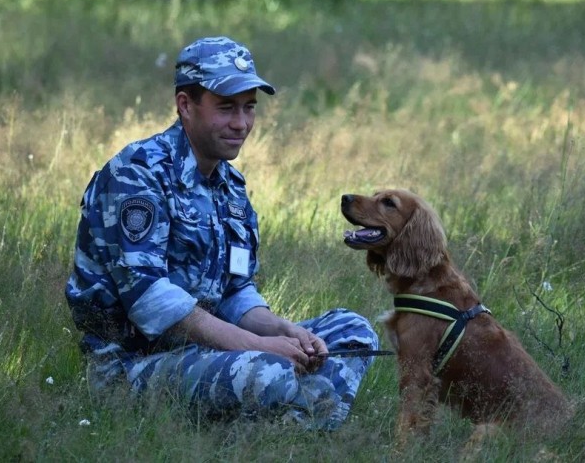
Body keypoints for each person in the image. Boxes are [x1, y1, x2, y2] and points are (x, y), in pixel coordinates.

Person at [65, 36, 379, 430]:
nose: (241, 123)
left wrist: (284, 331)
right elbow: (149, 301)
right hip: (133, 366)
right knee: (269, 371)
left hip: (211, 352)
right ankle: (285, 425)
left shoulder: (229, 187)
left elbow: (235, 291)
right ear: (185, 105)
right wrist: (260, 346)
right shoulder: (138, 174)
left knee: (352, 333)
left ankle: (286, 427)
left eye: (250, 108)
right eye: (226, 107)